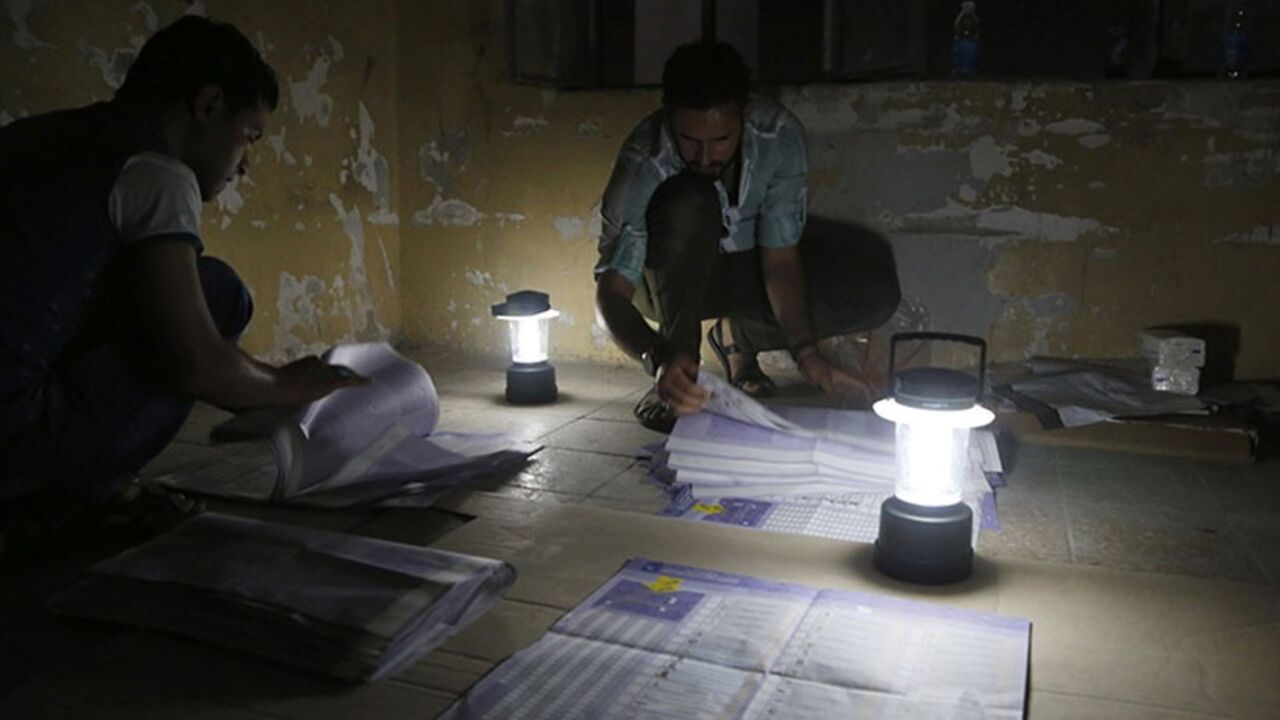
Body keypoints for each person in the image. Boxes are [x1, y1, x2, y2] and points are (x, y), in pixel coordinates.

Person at [0, 16, 363, 548]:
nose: (245, 165)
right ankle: (73, 499)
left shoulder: (39, 137)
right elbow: (194, 362)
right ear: (208, 105)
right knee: (218, 293)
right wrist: (288, 387)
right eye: (249, 137)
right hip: (13, 438)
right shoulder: (155, 170)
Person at [594, 42, 901, 432]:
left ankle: (738, 337)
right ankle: (680, 376)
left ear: (745, 113)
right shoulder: (642, 161)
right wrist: (656, 356)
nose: (705, 157)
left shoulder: (778, 136)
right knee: (690, 200)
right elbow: (611, 294)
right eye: (690, 140)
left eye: (720, 139)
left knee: (874, 285)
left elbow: (780, 260)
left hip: (742, 270)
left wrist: (808, 356)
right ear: (668, 116)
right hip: (662, 282)